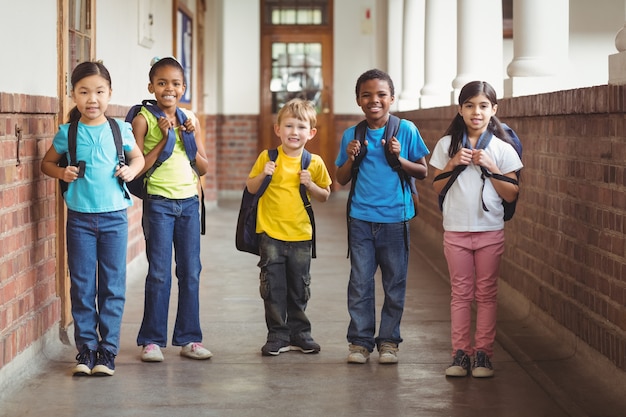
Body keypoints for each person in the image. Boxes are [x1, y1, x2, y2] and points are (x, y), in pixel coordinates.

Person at [41, 61, 145, 376]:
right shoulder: (67, 132)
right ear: (73, 94)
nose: (92, 99)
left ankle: (107, 351)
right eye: (84, 92)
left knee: (112, 285)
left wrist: (131, 169)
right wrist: (62, 171)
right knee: (83, 285)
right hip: (80, 220)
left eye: (99, 92)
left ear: (110, 93)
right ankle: (86, 349)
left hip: (114, 218)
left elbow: (138, 157)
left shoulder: (120, 129)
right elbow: (47, 163)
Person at [335, 69, 429, 364]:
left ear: (391, 98)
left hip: (396, 219)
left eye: (380, 95)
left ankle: (389, 341)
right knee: (360, 283)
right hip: (361, 219)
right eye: (367, 95)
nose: (374, 100)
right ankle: (360, 342)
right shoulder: (352, 135)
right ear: (358, 100)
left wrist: (399, 157)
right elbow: (340, 179)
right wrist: (351, 159)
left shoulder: (407, 130)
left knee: (394, 283)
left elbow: (423, 171)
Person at [430, 80, 523, 378]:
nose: (476, 112)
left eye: (483, 106)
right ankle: (460, 354)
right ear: (459, 110)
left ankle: (483, 354)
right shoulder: (447, 145)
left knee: (486, 294)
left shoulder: (502, 148)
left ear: (494, 109)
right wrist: (455, 163)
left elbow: (511, 193)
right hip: (455, 229)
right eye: (469, 105)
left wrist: (492, 169)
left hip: (490, 230)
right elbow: (436, 187)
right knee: (460, 294)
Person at [131, 57, 212, 362]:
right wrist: (165, 138)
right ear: (151, 87)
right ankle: (152, 340)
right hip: (160, 204)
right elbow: (137, 169)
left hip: (189, 204)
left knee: (191, 272)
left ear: (184, 88)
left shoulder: (190, 119)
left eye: (175, 83)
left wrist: (188, 137)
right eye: (162, 83)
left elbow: (203, 167)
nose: (169, 88)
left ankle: (190, 338)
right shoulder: (143, 119)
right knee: (160, 273)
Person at [246, 98, 332, 356]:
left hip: (301, 235)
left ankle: (300, 333)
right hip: (270, 234)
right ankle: (277, 335)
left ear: (311, 133)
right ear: (278, 129)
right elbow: (251, 188)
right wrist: (264, 174)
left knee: (299, 286)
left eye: (301, 127)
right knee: (273, 287)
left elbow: (325, 195)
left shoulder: (313, 162)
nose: (295, 132)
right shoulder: (267, 157)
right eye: (289, 126)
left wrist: (311, 185)